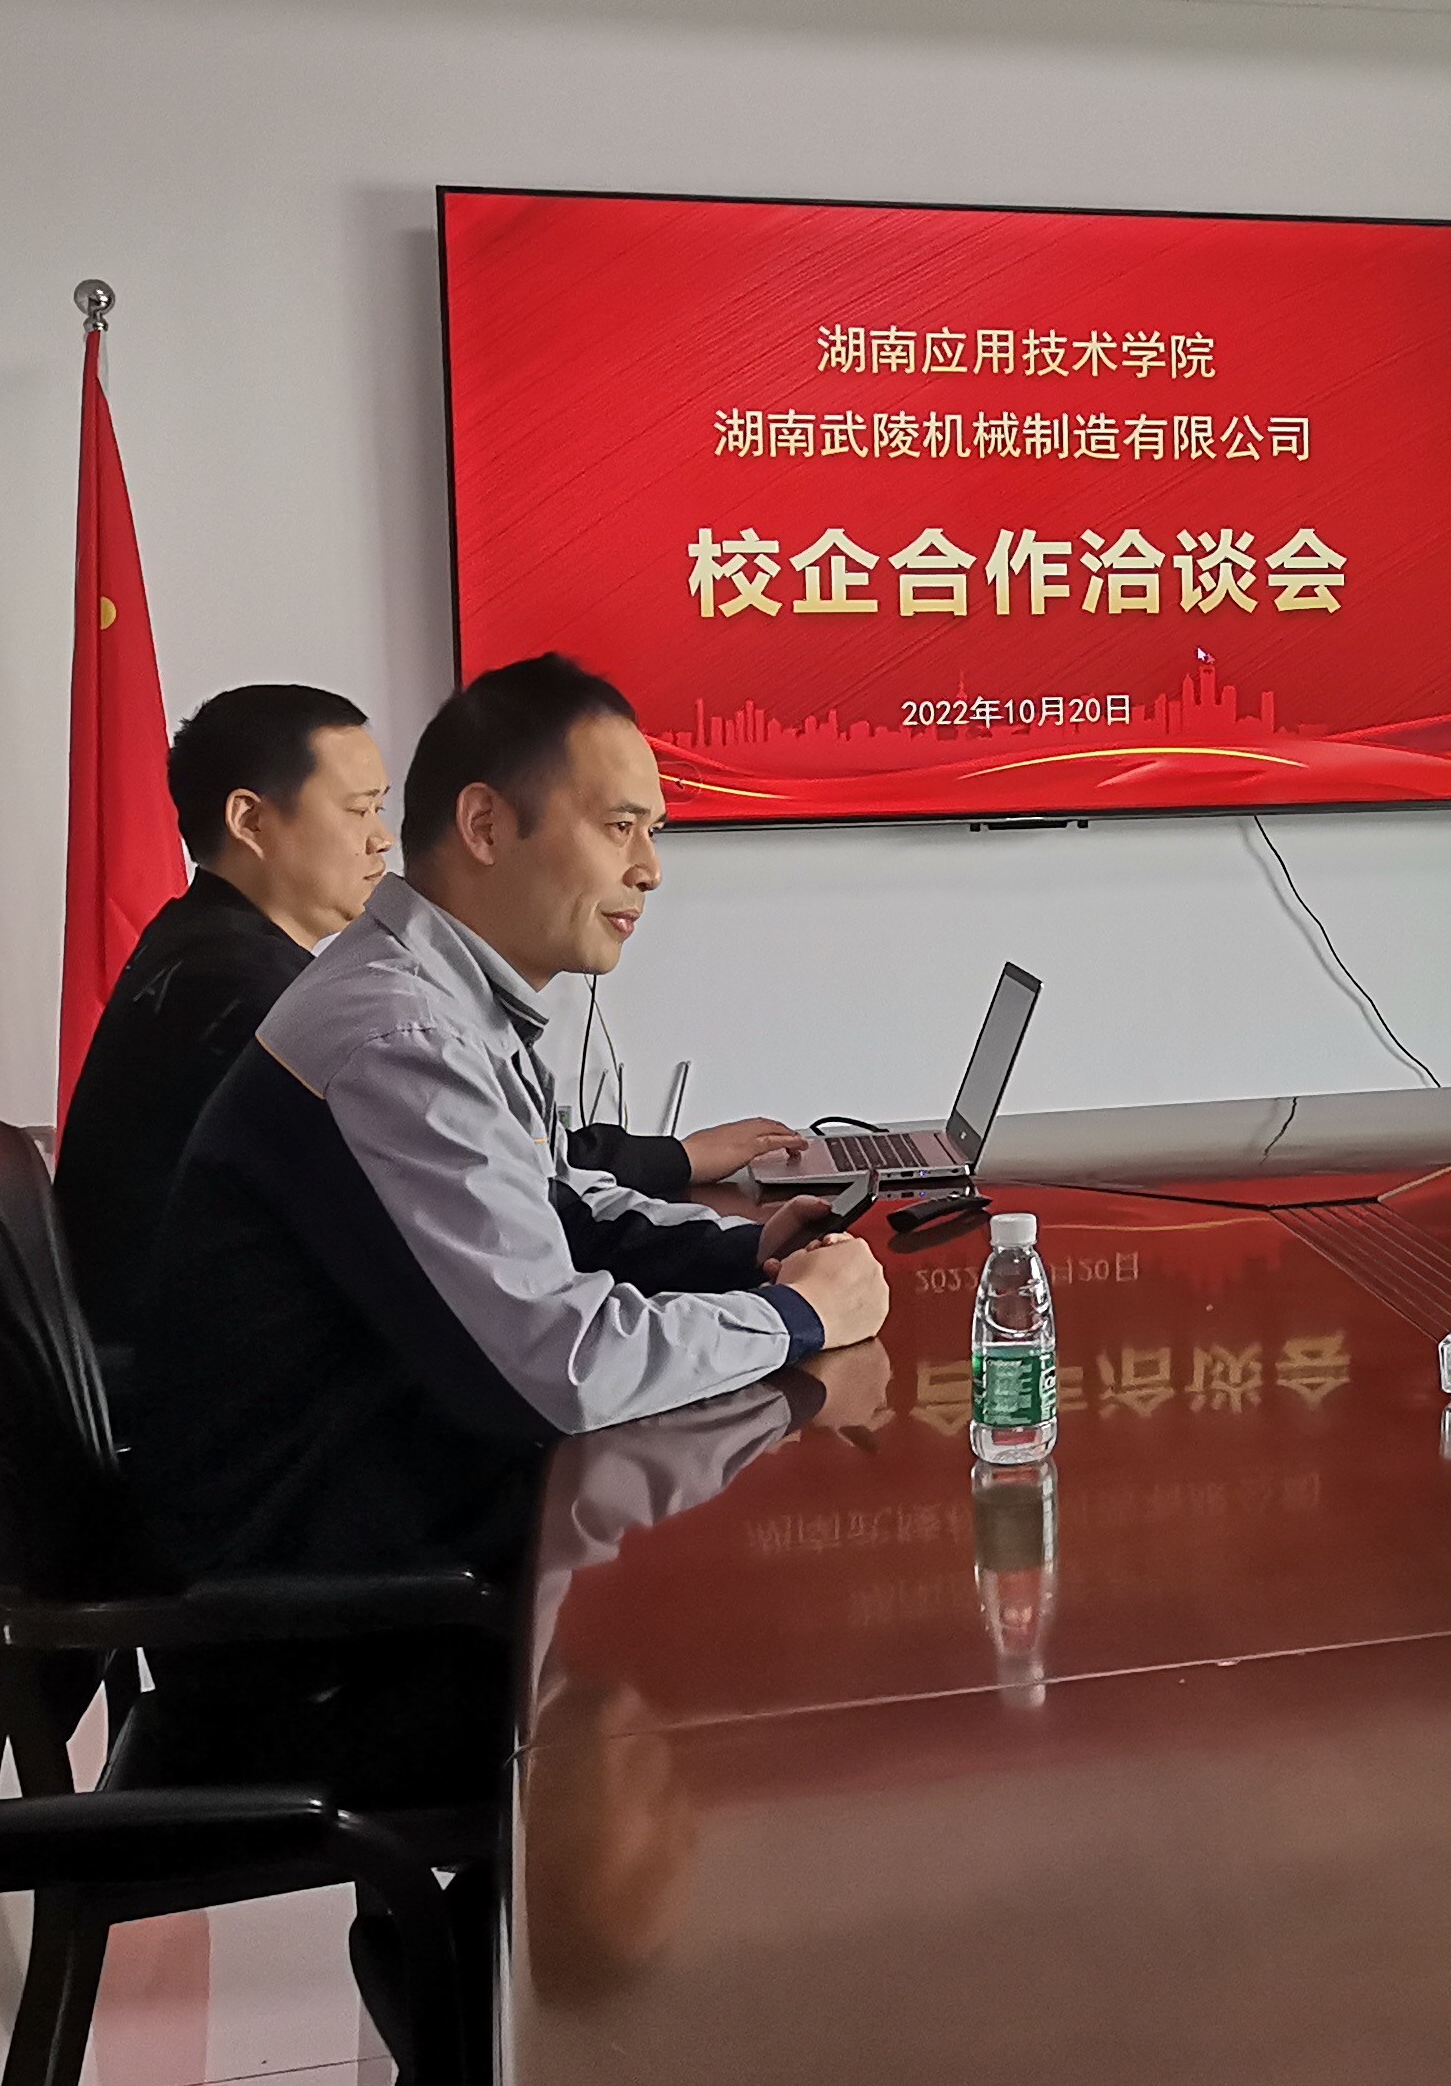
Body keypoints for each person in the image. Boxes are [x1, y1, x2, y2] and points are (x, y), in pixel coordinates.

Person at [123, 652, 892, 1605]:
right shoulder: (399, 1035)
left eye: (652, 832)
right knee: (760, 1565)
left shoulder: (438, 997)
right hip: (316, 1564)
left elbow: (554, 1201)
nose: (650, 871)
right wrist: (796, 1316)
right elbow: (565, 1366)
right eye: (619, 827)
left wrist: (742, 1250)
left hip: (374, 1477)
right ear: (485, 825)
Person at [55, 684, 804, 1374]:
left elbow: (525, 1185)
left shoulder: (220, 951)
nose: (382, 841)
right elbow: (544, 1333)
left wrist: (738, 1256)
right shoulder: (272, 999)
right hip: (231, 1398)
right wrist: (791, 1313)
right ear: (249, 821)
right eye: (358, 811)